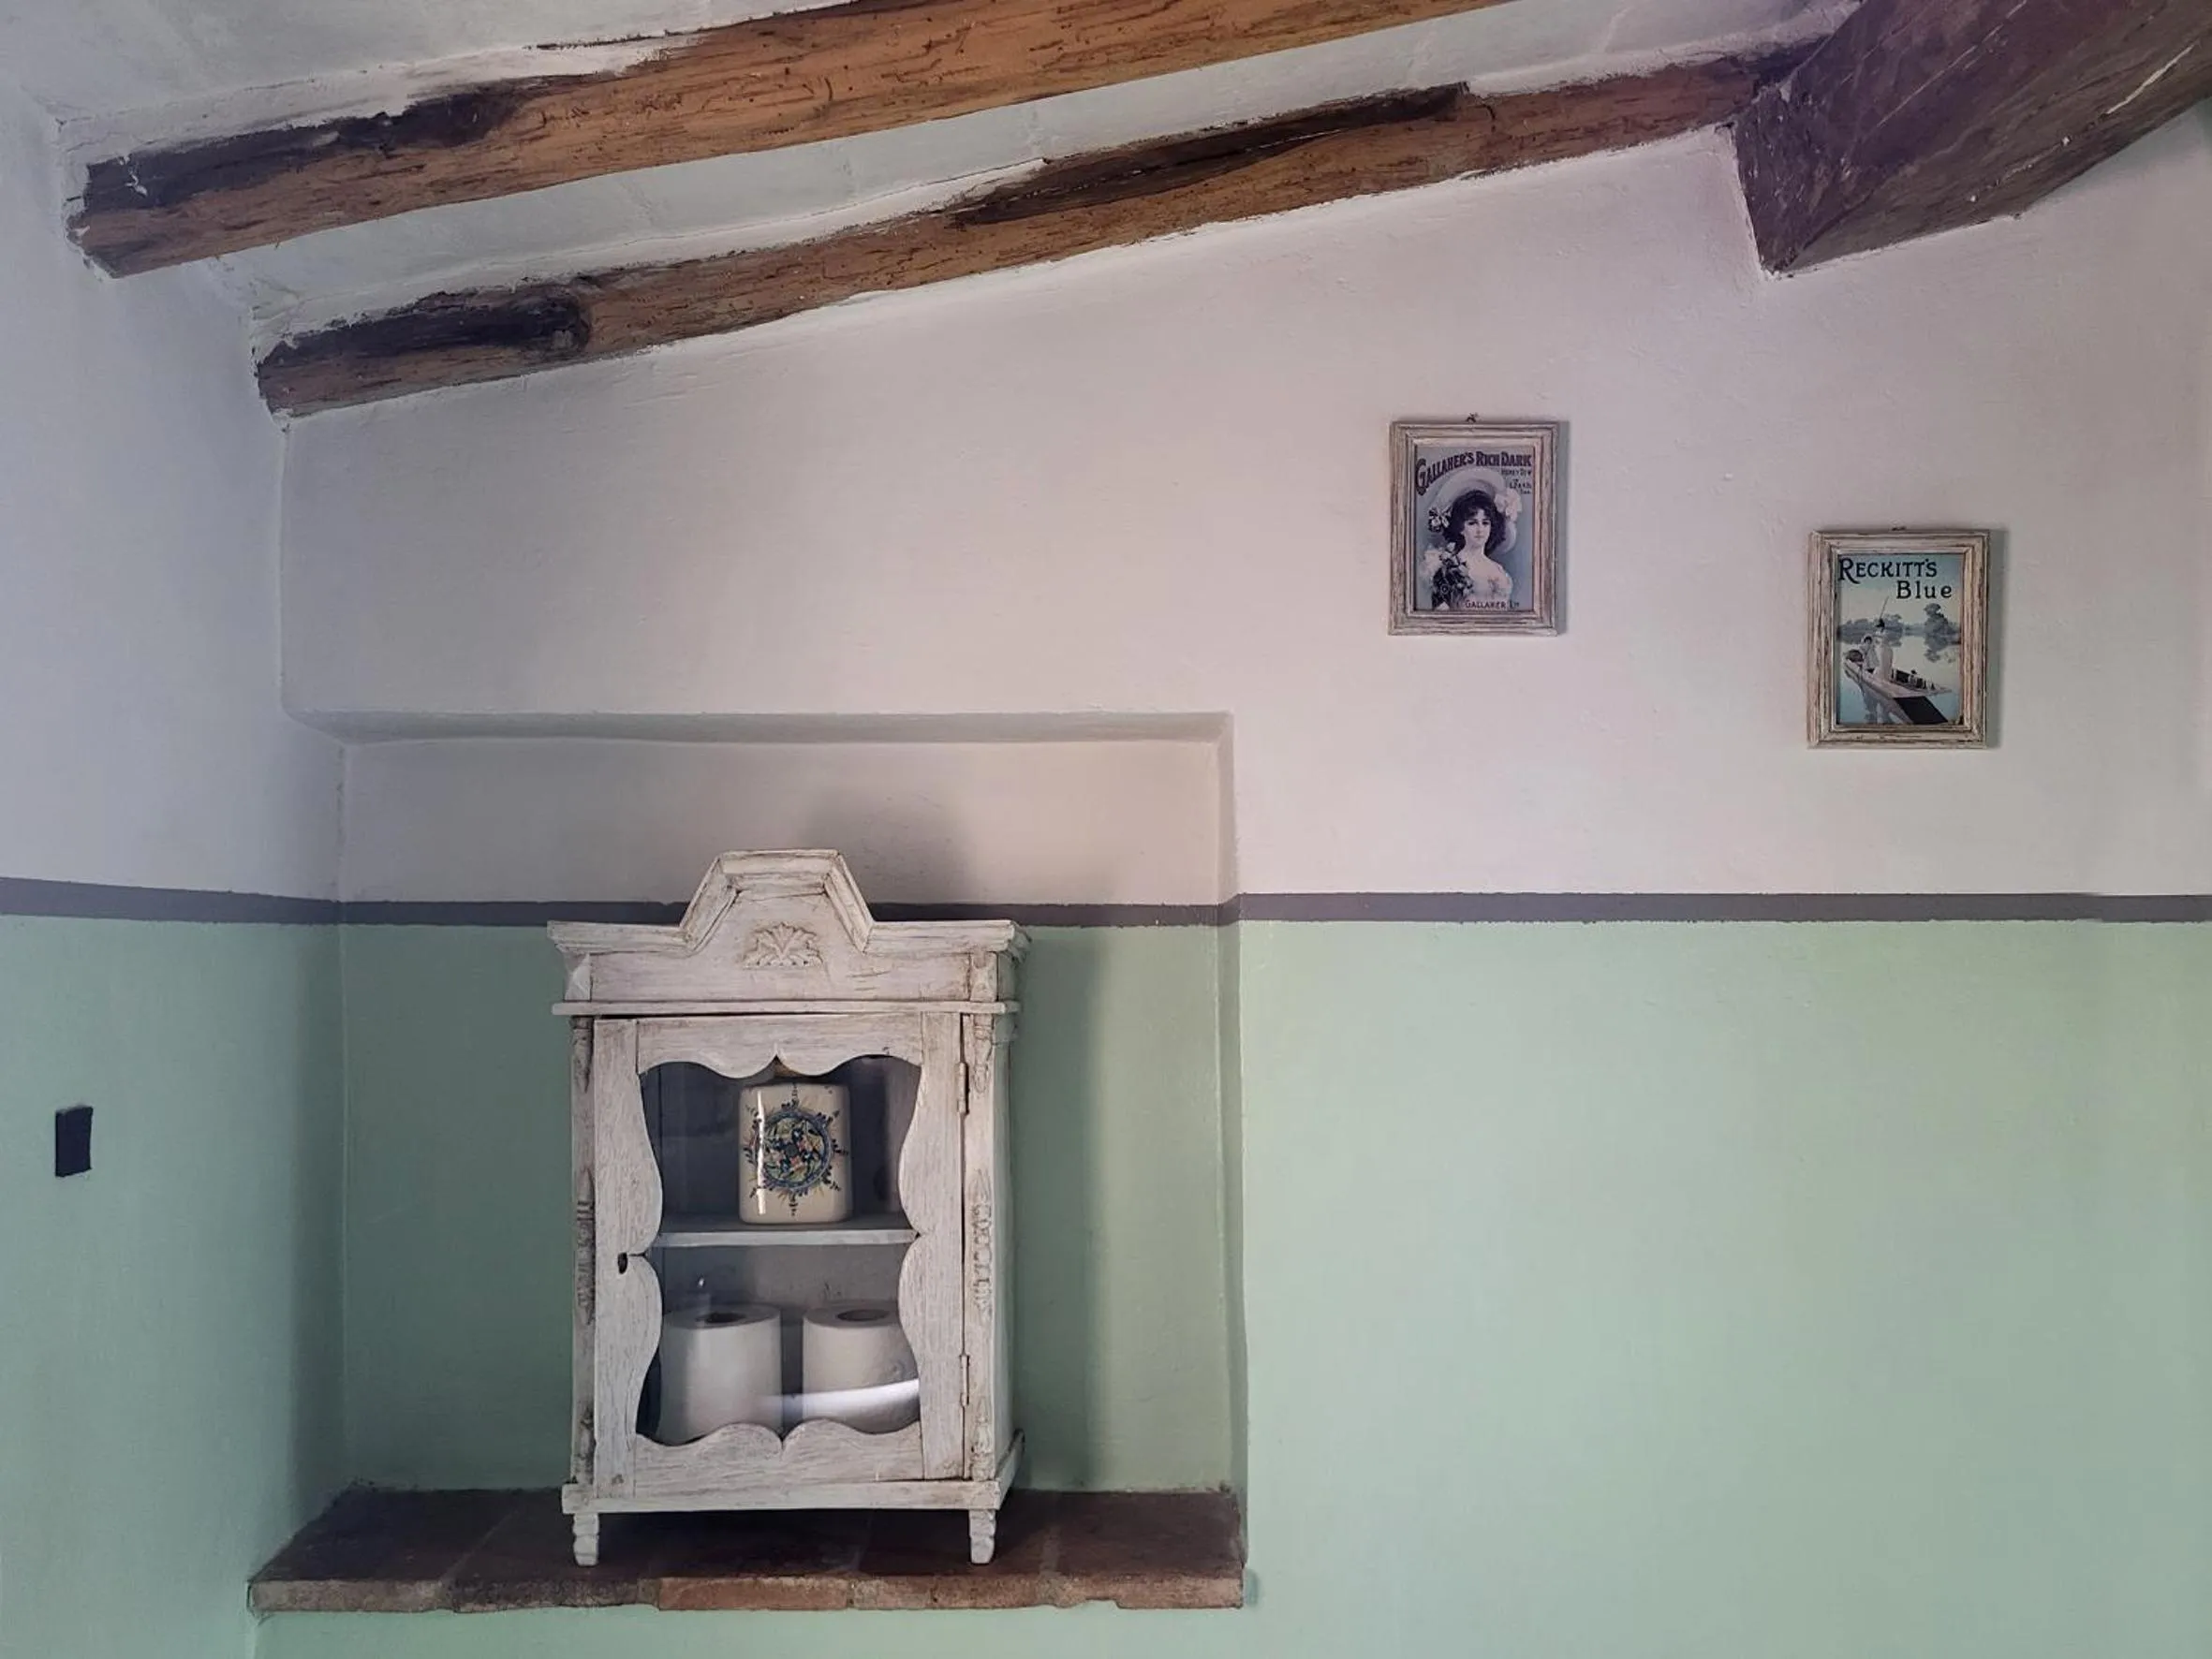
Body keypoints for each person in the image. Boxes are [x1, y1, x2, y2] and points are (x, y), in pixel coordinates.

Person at [1427, 487, 1514, 610]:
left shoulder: (1498, 568)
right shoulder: (1450, 569)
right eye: (1472, 523)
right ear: (1461, 528)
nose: (1480, 530)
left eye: (1485, 523)